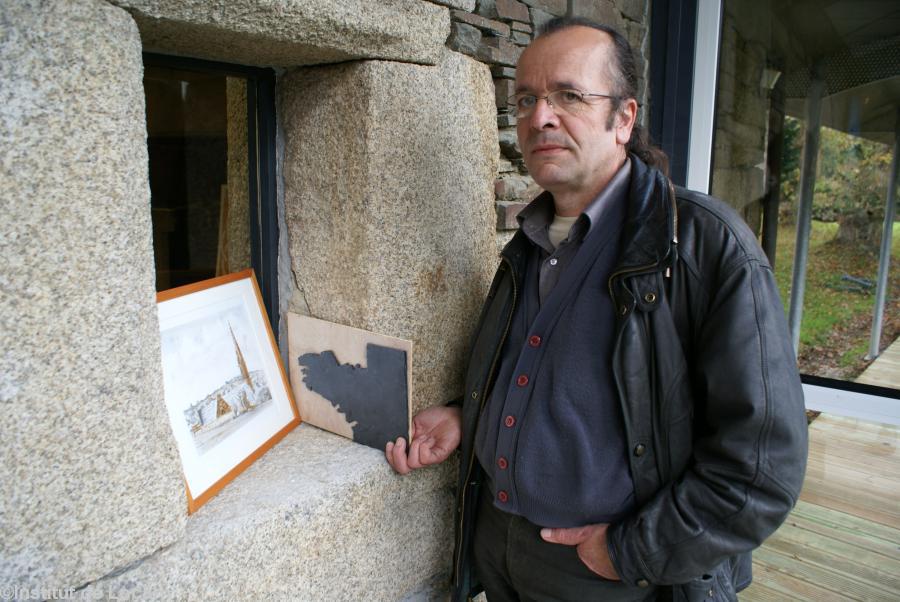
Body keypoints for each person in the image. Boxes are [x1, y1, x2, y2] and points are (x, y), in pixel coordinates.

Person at [386, 16, 808, 602]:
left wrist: (631, 551)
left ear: (624, 118)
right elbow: (551, 374)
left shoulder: (704, 246)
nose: (540, 117)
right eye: (527, 98)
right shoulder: (529, 240)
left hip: (614, 575)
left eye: (569, 96)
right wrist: (469, 415)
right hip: (499, 552)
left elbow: (762, 469)